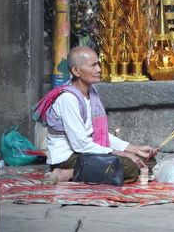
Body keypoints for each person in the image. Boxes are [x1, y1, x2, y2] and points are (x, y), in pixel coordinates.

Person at [35, 46, 158, 185]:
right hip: (68, 157)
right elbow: (80, 145)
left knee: (148, 161)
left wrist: (134, 149)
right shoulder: (68, 98)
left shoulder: (92, 93)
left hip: (86, 152)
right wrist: (123, 154)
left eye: (98, 64)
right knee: (128, 167)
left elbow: (100, 134)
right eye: (93, 66)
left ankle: (79, 172)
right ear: (76, 71)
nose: (99, 69)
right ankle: (66, 173)